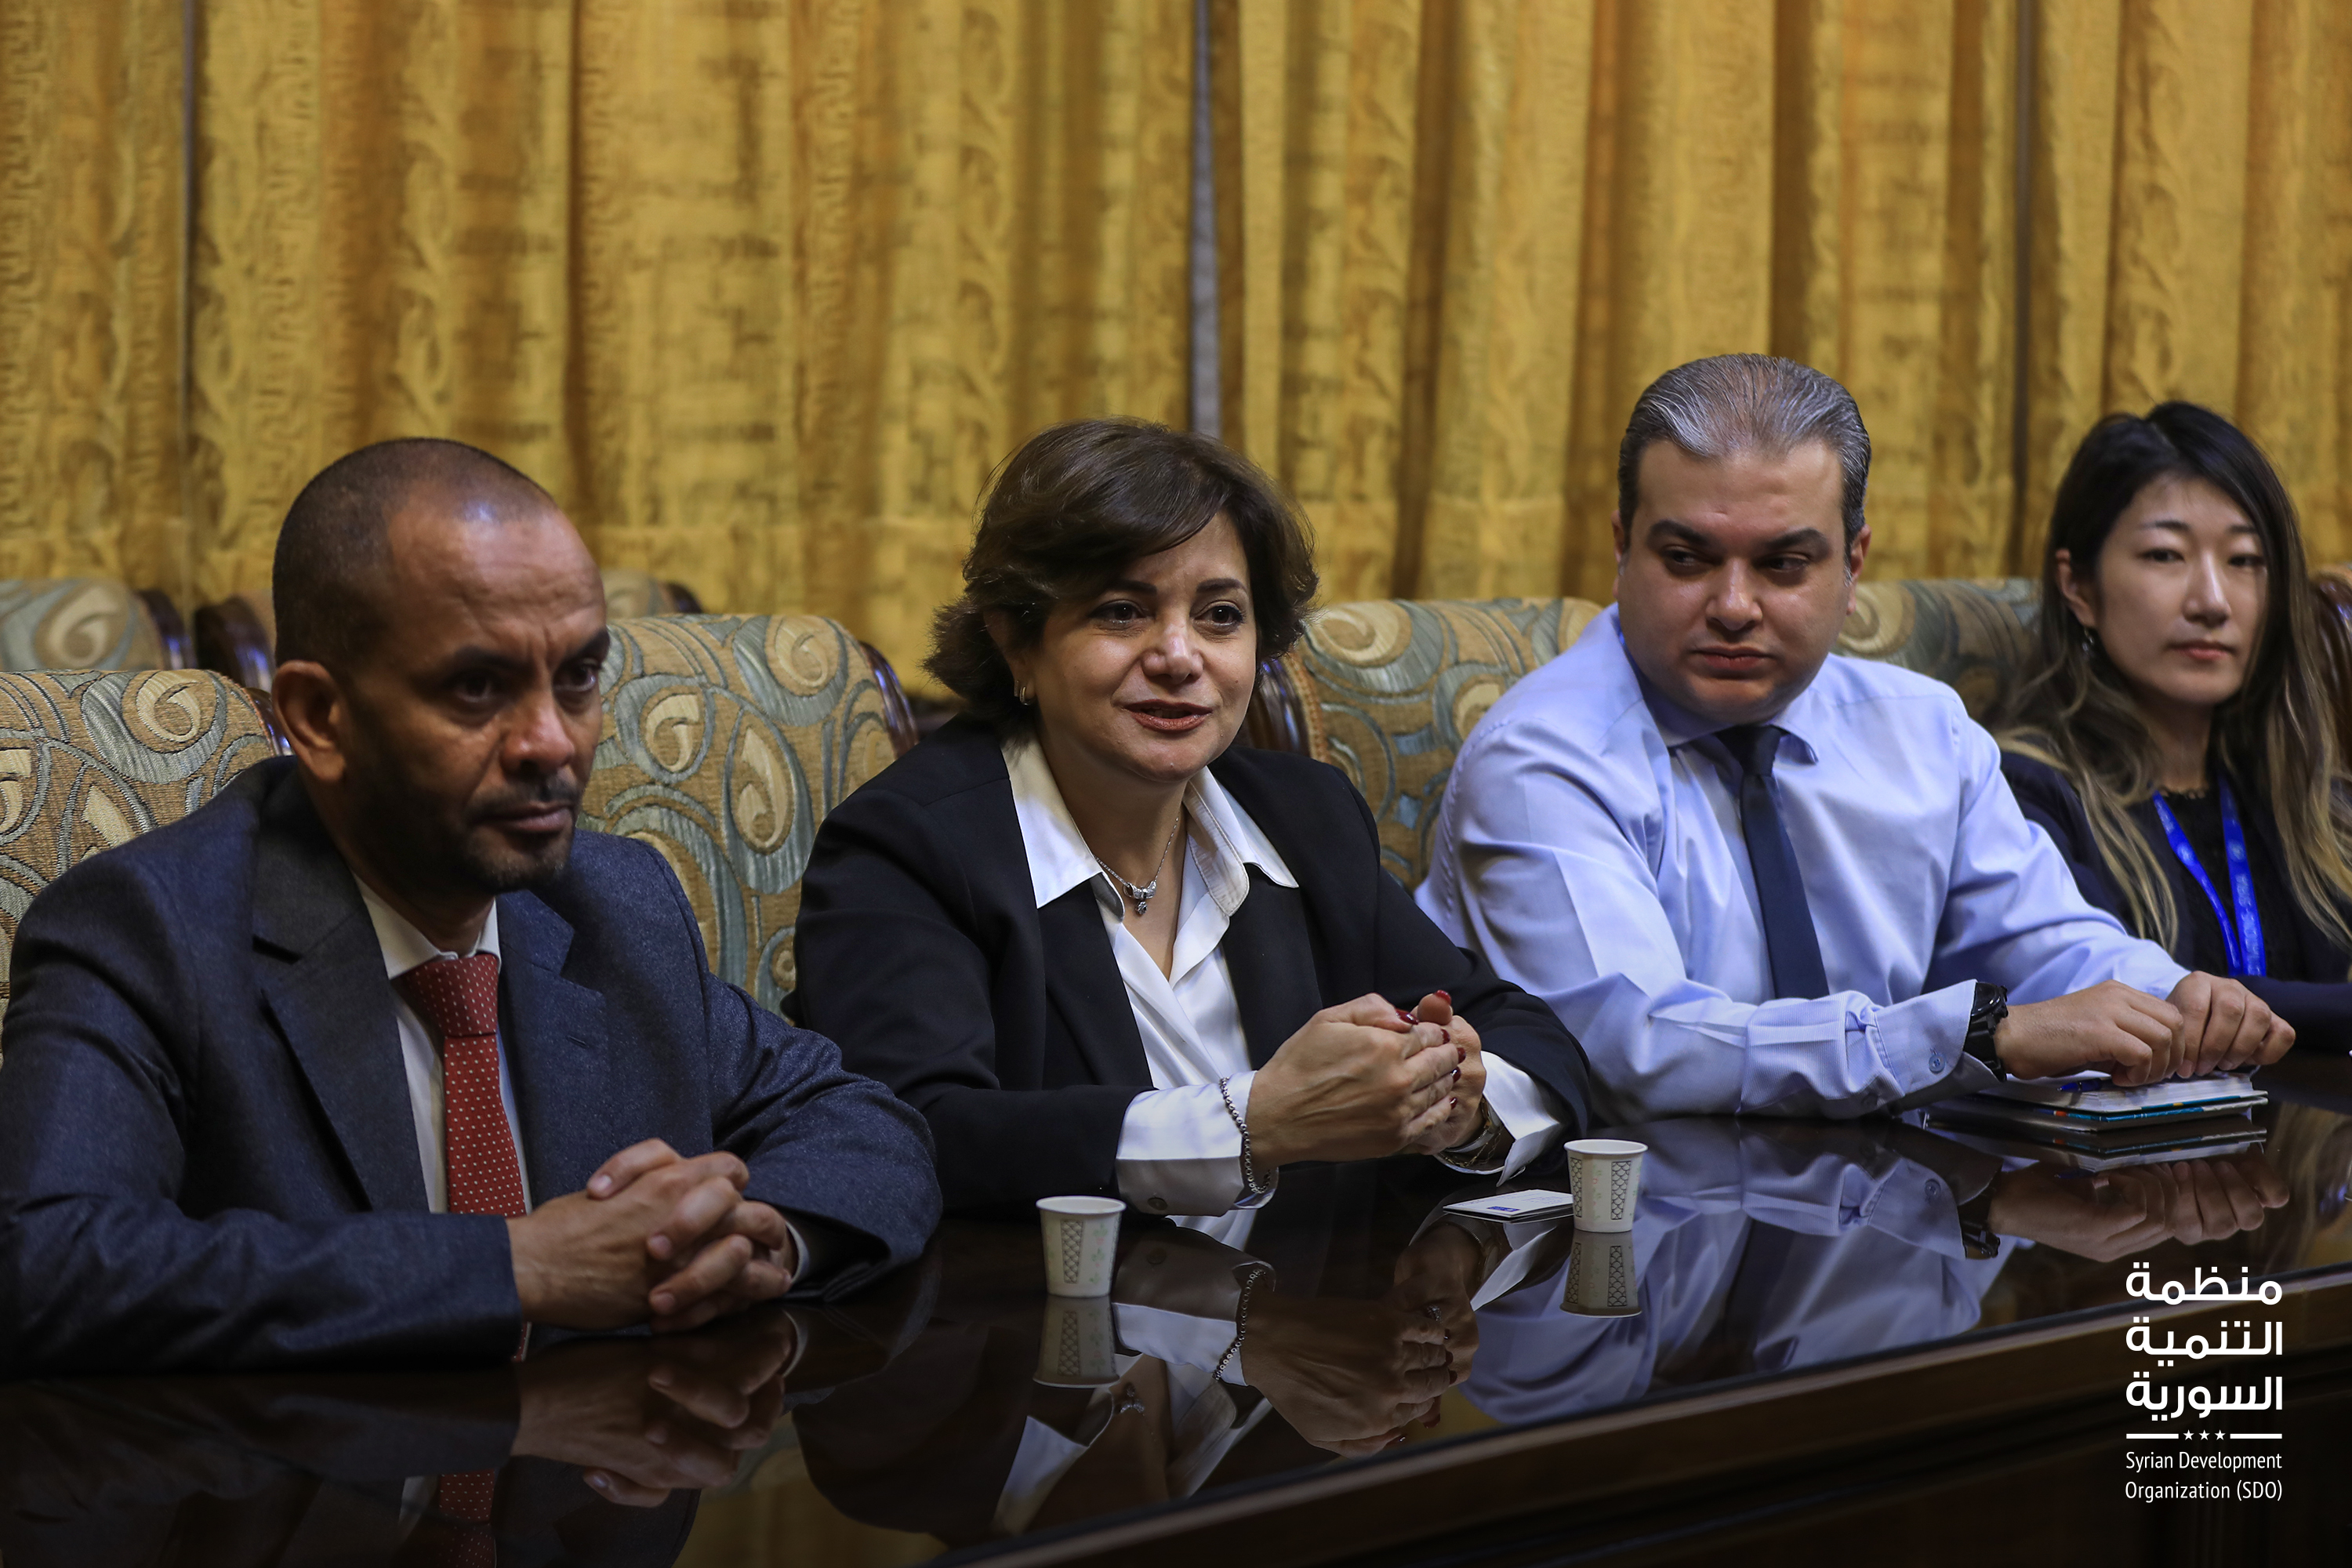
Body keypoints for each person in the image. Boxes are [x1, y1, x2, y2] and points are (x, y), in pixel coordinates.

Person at [0, 439, 938, 1375]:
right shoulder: (148, 928)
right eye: (477, 687)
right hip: (307, 1463)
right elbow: (46, 1263)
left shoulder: (615, 902)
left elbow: (861, 1119)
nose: (550, 742)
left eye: (578, 676)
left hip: (612, 1452)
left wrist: (755, 1236)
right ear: (319, 717)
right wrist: (517, 1266)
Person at [1414, 354, 2293, 1125]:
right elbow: (1633, 1046)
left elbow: (2050, 943)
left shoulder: (1925, 730)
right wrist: (1977, 1035)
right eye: (1686, 558)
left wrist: (2173, 996)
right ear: (1621, 546)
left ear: (1854, 563)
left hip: (1895, 1219)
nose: (1733, 605)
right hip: (1639, 1231)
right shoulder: (1541, 756)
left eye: (1783, 564)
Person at [794, 419, 1592, 1217]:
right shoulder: (906, 846)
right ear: (1017, 644)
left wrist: (1454, 1105)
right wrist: (1253, 1124)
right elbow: (917, 1135)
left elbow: (1527, 1037)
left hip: (1299, 1293)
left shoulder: (1303, 816)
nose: (1180, 656)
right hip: (1042, 1295)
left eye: (1220, 615)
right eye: (1121, 611)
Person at [1997, 404, 2352, 1042]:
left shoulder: (2301, 788)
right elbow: (2123, 999)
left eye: (2244, 560)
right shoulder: (2027, 794)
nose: (2212, 602)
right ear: (2079, 587)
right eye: (2166, 555)